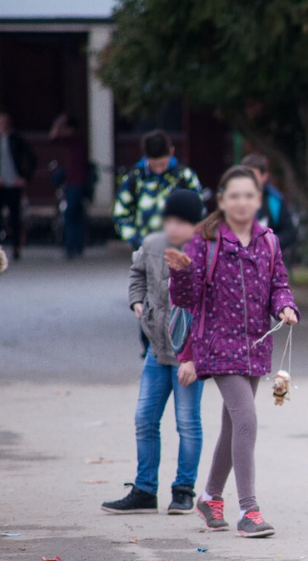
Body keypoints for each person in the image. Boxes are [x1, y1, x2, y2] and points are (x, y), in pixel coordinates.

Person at [166, 166, 299, 538]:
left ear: (258, 200)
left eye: (249, 196)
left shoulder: (269, 240)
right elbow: (187, 300)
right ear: (222, 201)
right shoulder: (204, 241)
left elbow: (279, 284)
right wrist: (179, 273)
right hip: (217, 344)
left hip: (257, 344)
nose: (242, 202)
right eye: (234, 196)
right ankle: (249, 510)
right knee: (246, 419)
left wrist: (286, 307)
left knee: (232, 425)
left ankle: (210, 497)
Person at [101, 189, 207, 516]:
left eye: (183, 222)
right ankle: (145, 488)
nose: (175, 227)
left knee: (187, 422)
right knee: (144, 419)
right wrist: (137, 301)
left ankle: (183, 489)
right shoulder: (152, 245)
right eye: (170, 220)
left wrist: (196, 356)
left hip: (189, 355)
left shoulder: (205, 251)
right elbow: (137, 274)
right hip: (156, 349)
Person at [113, 129, 202, 251]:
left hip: (182, 247)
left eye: (162, 164)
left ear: (171, 152)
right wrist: (135, 240)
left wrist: (192, 240)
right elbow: (121, 214)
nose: (159, 170)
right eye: (154, 165)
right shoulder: (134, 178)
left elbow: (199, 210)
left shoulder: (184, 176)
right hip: (144, 247)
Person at [0, 112, 37, 260]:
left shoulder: (16, 139)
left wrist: (24, 177)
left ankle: (16, 247)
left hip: (13, 183)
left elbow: (31, 157)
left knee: (15, 217)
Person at [49, 115, 91, 259]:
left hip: (75, 184)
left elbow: (53, 137)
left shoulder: (74, 140)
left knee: (70, 215)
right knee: (77, 216)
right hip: (76, 183)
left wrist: (58, 122)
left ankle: (70, 248)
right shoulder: (78, 141)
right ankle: (77, 247)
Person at [240, 154, 297, 251]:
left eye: (253, 175)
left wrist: (269, 244)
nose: (249, 179)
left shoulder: (275, 201)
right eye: (245, 175)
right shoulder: (232, 201)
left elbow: (289, 233)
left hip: (267, 261)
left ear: (264, 176)